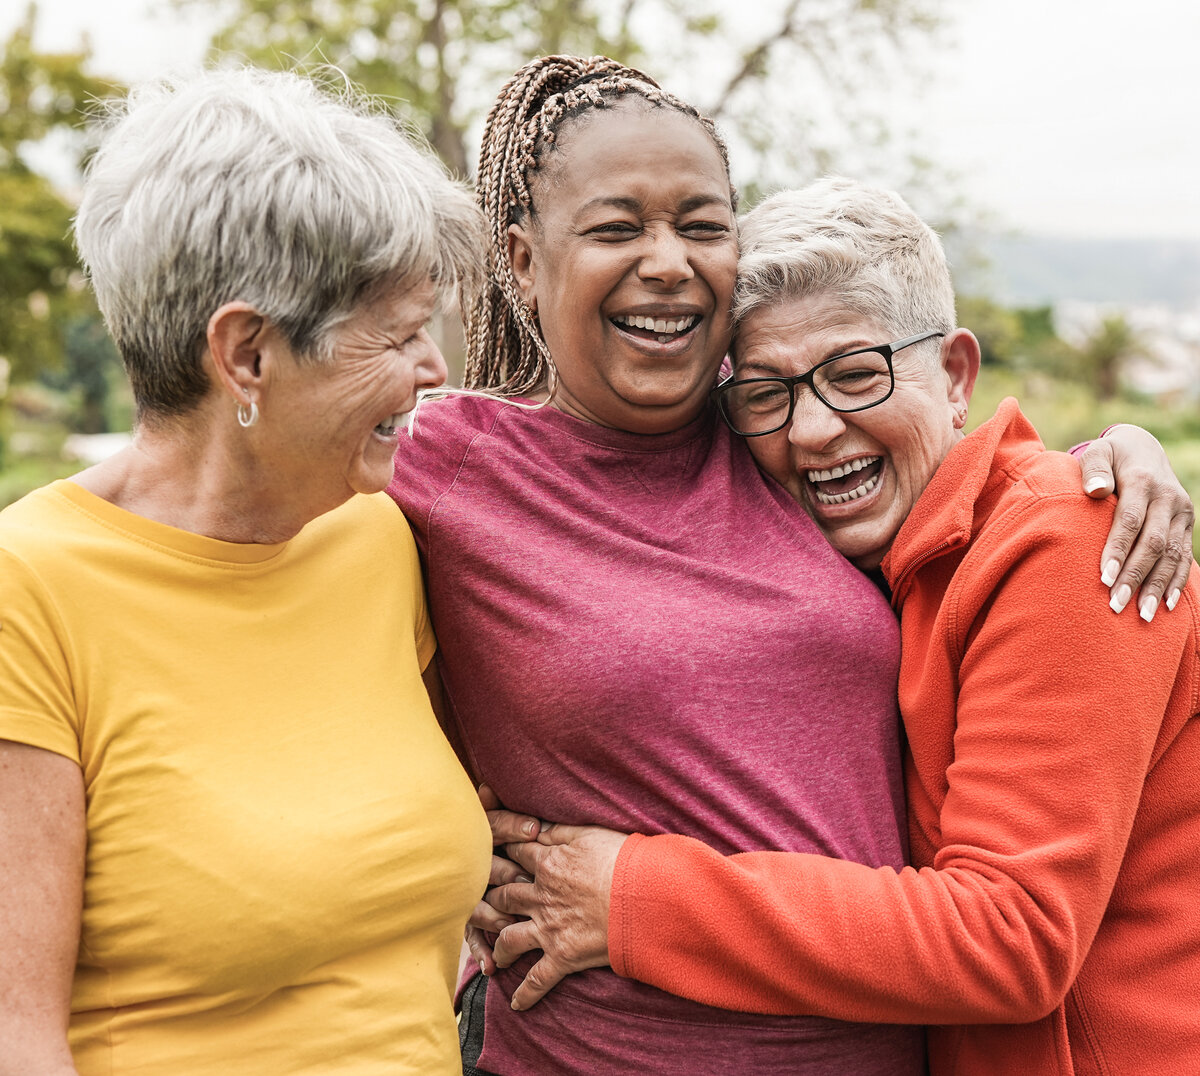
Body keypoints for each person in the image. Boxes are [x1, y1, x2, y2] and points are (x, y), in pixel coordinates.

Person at [388, 56, 1193, 1076]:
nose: (816, 426)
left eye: (700, 222)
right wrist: (454, 894)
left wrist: (1113, 459)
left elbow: (1011, 929)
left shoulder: (1015, 520)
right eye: (615, 226)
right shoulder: (459, 474)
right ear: (519, 259)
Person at [0, 68, 491, 1074]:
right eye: (400, 336)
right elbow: (18, 1035)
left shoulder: (380, 538)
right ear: (248, 355)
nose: (433, 371)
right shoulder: (29, 593)